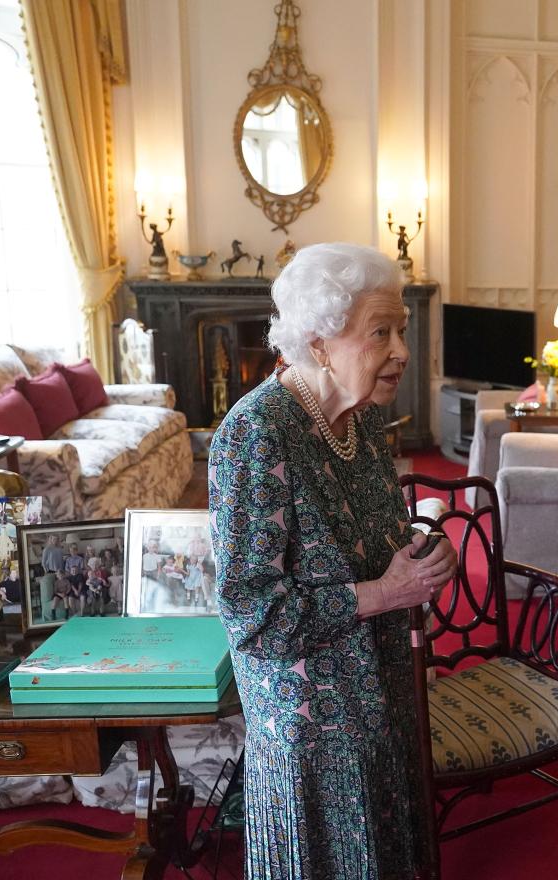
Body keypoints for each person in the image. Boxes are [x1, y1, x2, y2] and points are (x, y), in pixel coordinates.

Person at [210, 242, 457, 879]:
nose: (402, 350)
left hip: (384, 698)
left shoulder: (364, 419)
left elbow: (381, 541)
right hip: (315, 737)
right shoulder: (254, 434)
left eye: (400, 329)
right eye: (382, 332)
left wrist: (424, 552)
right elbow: (253, 617)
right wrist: (383, 593)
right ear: (319, 340)